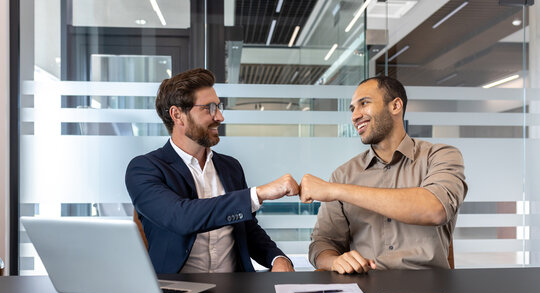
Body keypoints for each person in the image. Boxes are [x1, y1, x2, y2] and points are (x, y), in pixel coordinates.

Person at [126, 68, 298, 274]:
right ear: (177, 114)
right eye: (209, 108)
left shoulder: (231, 167)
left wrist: (277, 258)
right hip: (177, 292)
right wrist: (257, 194)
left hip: (236, 292)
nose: (220, 117)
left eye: (218, 106)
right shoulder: (144, 169)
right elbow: (181, 217)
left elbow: (247, 228)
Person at [300, 76, 467, 274]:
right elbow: (322, 244)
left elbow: (435, 209)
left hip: (428, 288)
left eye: (364, 103)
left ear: (395, 106)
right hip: (364, 289)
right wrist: (335, 261)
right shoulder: (343, 174)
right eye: (353, 109)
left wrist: (336, 190)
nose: (355, 116)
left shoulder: (440, 156)